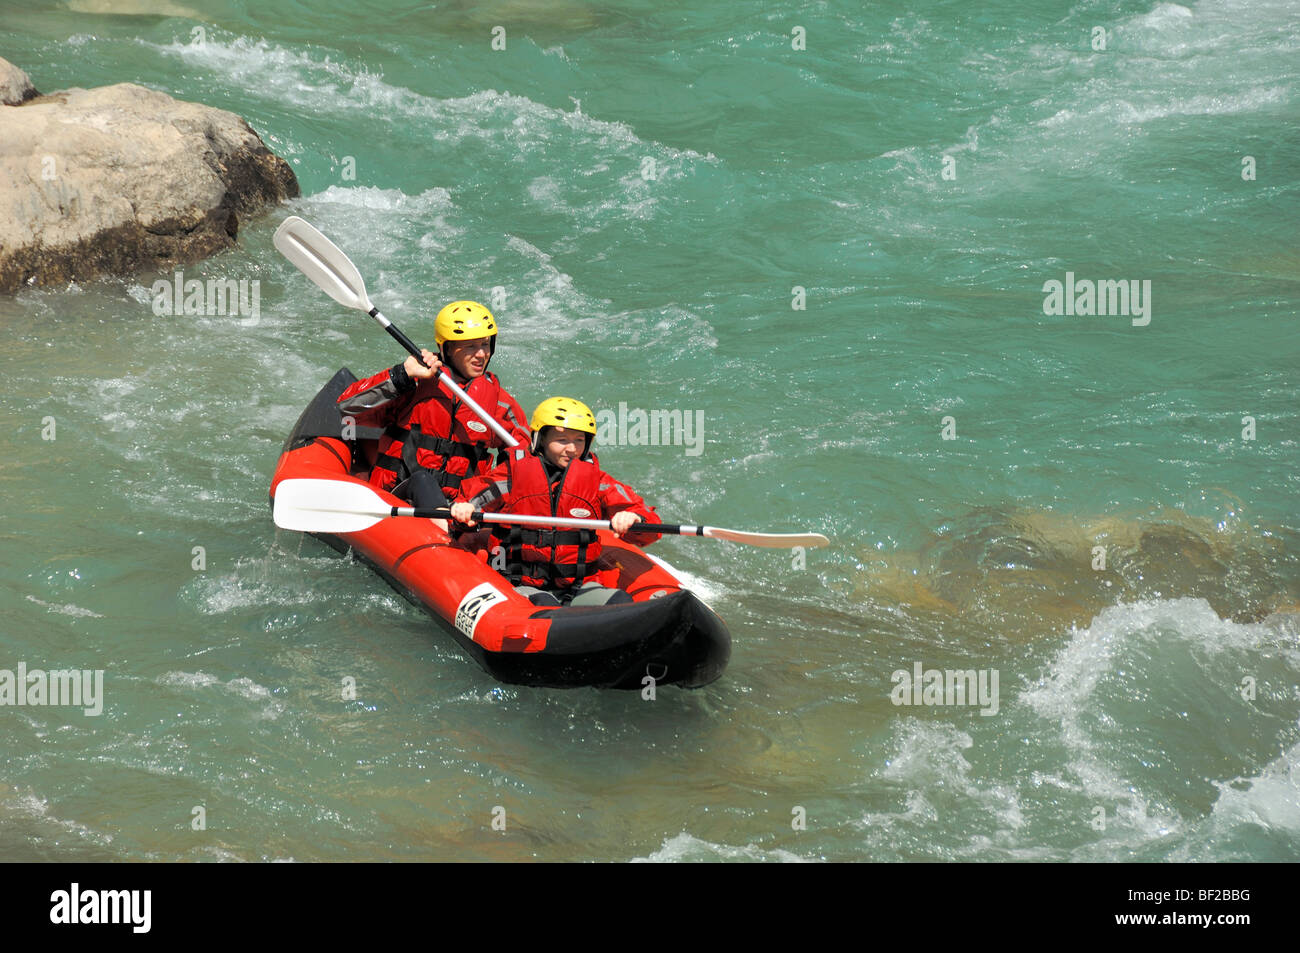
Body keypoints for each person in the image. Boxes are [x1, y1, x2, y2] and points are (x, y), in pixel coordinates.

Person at [450, 397, 662, 606]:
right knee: (545, 605)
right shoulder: (513, 474)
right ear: (541, 439)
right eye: (562, 440)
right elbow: (472, 500)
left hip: (577, 586)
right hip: (521, 584)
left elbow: (649, 523)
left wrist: (634, 517)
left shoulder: (596, 481)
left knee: (621, 601)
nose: (572, 449)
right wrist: (464, 509)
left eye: (579, 440)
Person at [336, 301, 531, 508]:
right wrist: (402, 375)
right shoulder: (416, 381)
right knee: (422, 481)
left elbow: (523, 463)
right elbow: (348, 409)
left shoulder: (500, 404)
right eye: (470, 346)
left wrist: (474, 501)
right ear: (446, 348)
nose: (481, 354)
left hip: (458, 509)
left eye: (485, 344)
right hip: (397, 498)